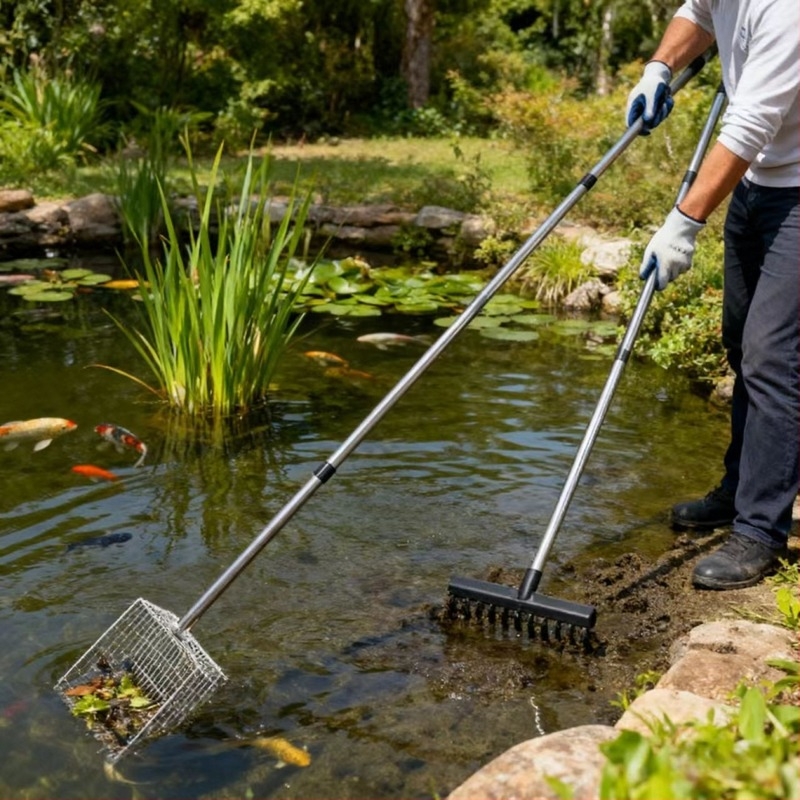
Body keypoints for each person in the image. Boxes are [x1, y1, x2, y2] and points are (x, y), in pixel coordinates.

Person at [626, 0, 799, 590]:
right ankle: (739, 487)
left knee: (774, 356)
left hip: (798, 191)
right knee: (738, 339)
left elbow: (750, 123)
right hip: (757, 186)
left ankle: (760, 531)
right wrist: (659, 67)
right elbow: (695, 15)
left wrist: (684, 222)